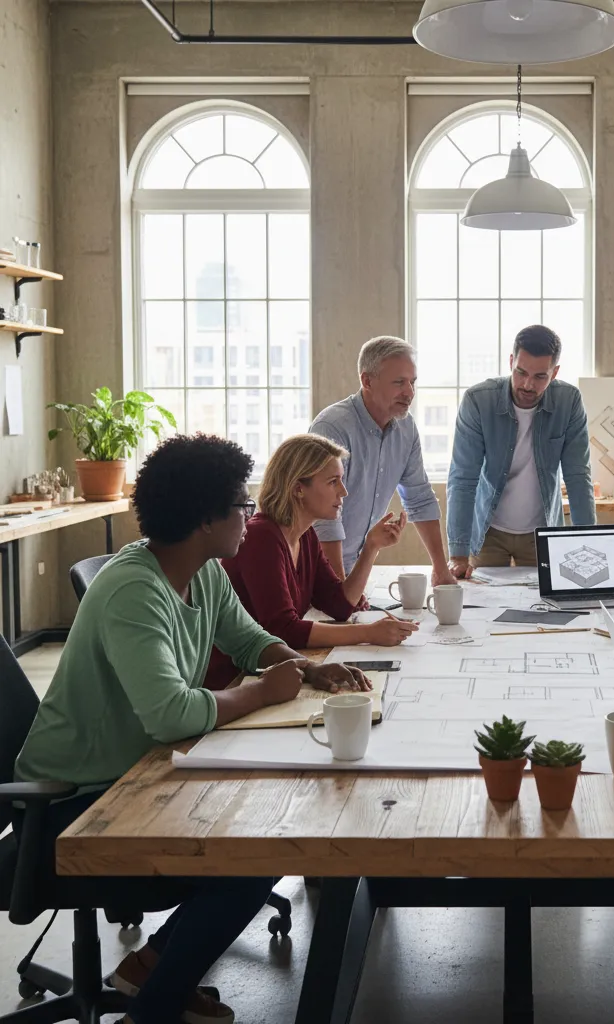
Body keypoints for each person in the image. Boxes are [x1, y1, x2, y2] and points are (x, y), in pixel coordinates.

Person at [15, 434, 369, 1024]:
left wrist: (308, 670)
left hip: (140, 774)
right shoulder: (135, 589)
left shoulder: (202, 572)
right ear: (207, 519)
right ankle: (151, 1011)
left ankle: (151, 972)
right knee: (255, 852)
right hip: (75, 805)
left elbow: (249, 639)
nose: (250, 515)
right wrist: (261, 691)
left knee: (266, 831)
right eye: (241, 506)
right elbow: (171, 714)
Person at [206, 433, 418, 688]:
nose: (344, 491)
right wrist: (368, 633)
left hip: (271, 673)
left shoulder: (306, 536)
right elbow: (282, 630)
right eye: (333, 482)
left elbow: (340, 605)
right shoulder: (261, 537)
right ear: (298, 488)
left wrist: (372, 547)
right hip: (234, 680)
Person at [446, 325, 596, 576]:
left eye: (540, 377)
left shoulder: (568, 402)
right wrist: (457, 554)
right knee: (484, 606)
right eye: (521, 372)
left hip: (543, 531)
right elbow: (462, 479)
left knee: (547, 607)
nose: (527, 384)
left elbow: (578, 477)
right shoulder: (478, 401)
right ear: (511, 361)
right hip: (488, 531)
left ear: (555, 372)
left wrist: (589, 546)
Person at [309, 336, 456, 587]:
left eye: (412, 382)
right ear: (367, 381)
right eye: (399, 382)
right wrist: (339, 591)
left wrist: (441, 570)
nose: (409, 392)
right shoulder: (332, 428)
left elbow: (420, 498)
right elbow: (324, 515)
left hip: (355, 567)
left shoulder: (406, 428)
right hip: (313, 569)